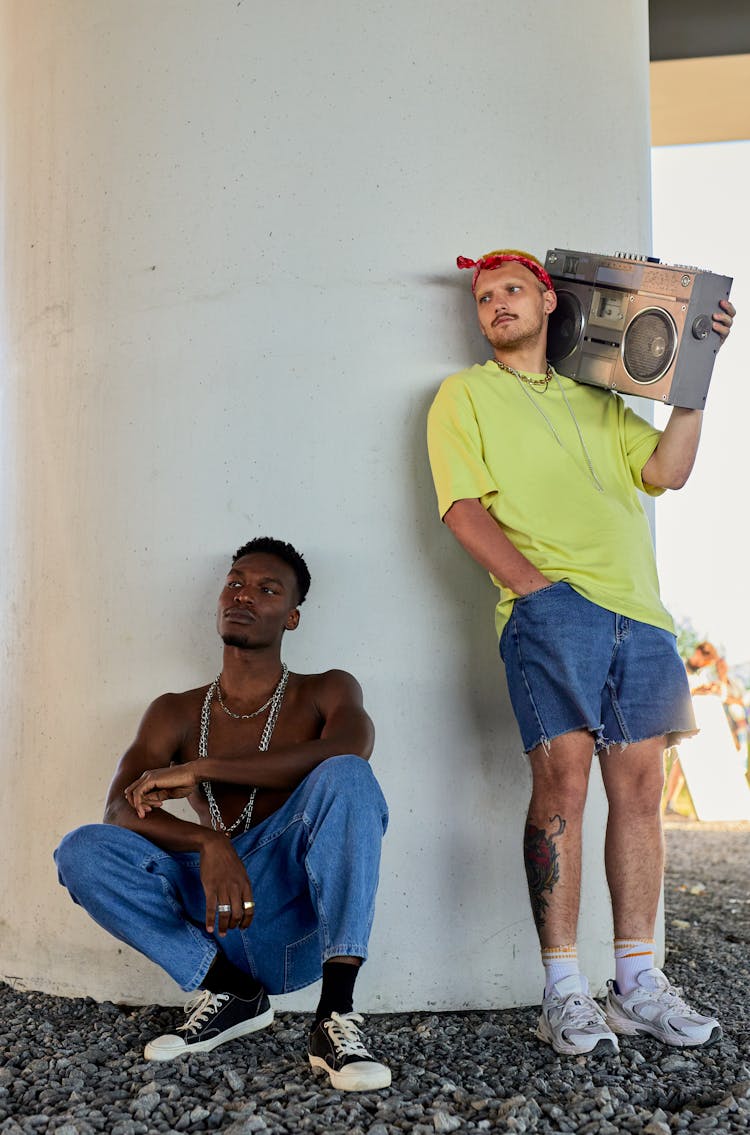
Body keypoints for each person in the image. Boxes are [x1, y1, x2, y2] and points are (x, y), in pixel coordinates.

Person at [427, 248, 735, 1057]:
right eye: (484, 296)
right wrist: (539, 592)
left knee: (639, 791)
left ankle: (636, 982)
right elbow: (462, 509)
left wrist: (695, 378)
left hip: (642, 615)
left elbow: (667, 469)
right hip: (553, 609)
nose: (496, 305)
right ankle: (563, 989)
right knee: (562, 781)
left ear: (546, 299)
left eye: (512, 291)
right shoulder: (464, 395)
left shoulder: (597, 401)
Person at [55, 537, 391, 1092]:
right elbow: (121, 807)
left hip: (290, 914)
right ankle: (232, 991)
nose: (244, 596)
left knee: (348, 778)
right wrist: (209, 844)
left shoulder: (326, 689)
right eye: (235, 582)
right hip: (216, 910)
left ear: (293, 617)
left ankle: (334, 1017)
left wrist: (202, 768)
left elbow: (350, 749)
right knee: (82, 849)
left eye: (267, 589)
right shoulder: (175, 710)